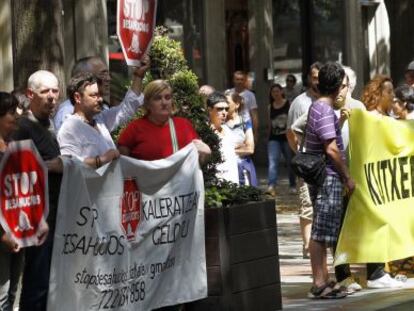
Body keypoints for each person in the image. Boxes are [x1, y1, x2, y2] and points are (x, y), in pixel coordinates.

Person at [12, 70, 62, 311]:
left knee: (50, 286)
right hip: (34, 222)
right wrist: (49, 167)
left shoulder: (50, 125)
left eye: (55, 91)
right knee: (36, 286)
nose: (52, 97)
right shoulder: (22, 128)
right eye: (45, 92)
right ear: (30, 94)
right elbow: (12, 172)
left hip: (55, 218)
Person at [305, 62, 355, 299]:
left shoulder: (318, 107)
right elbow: (332, 149)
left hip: (323, 177)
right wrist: (347, 176)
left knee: (323, 232)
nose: (345, 91)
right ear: (336, 87)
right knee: (320, 232)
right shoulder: (324, 110)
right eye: (343, 86)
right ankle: (319, 283)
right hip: (328, 177)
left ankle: (324, 280)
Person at [57, 57, 149, 166]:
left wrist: (138, 76)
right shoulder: (67, 117)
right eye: (103, 74)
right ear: (84, 77)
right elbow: (69, 165)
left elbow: (125, 110)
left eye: (99, 95)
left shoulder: (97, 116)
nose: (108, 78)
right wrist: (101, 160)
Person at [117, 79, 210, 163]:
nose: (164, 103)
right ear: (148, 104)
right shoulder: (134, 128)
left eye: (167, 97)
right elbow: (122, 164)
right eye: (158, 98)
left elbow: (198, 159)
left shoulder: (184, 125)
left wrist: (205, 153)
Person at [286, 62, 322, 259]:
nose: (316, 81)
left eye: (319, 77)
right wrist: (299, 154)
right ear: (309, 78)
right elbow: (290, 132)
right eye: (314, 77)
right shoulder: (300, 102)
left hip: (327, 160)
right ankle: (308, 246)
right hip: (307, 162)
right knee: (307, 204)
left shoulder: (332, 99)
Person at [0, 92, 25, 310]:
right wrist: (2, 233)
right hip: (3, 236)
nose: (16, 117)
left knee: (14, 294)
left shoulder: (16, 147)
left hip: (19, 230)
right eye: (10, 112)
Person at [267, 84, 295, 196]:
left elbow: (293, 121)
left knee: (290, 162)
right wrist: (268, 138)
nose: (275, 94)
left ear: (281, 91)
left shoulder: (289, 104)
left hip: (287, 137)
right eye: (273, 92)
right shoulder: (270, 107)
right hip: (274, 138)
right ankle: (271, 185)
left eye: (277, 91)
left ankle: (292, 185)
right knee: (273, 162)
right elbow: (269, 123)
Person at [225, 91, 258, 186]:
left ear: (237, 104)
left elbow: (250, 149)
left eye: (227, 103)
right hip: (226, 168)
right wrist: (238, 148)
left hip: (243, 167)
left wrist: (227, 149)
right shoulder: (220, 124)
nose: (224, 106)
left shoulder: (245, 123)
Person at [207, 91, 239, 184]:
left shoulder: (228, 130)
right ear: (209, 109)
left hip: (233, 183)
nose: (224, 112)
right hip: (215, 186)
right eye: (220, 109)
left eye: (226, 109)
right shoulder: (205, 133)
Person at [227, 71, 259, 142]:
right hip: (231, 127)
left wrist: (255, 133)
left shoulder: (250, 95)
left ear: (245, 81)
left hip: (246, 127)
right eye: (237, 79)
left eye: (241, 79)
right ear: (233, 80)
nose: (239, 82)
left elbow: (254, 114)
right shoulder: (228, 93)